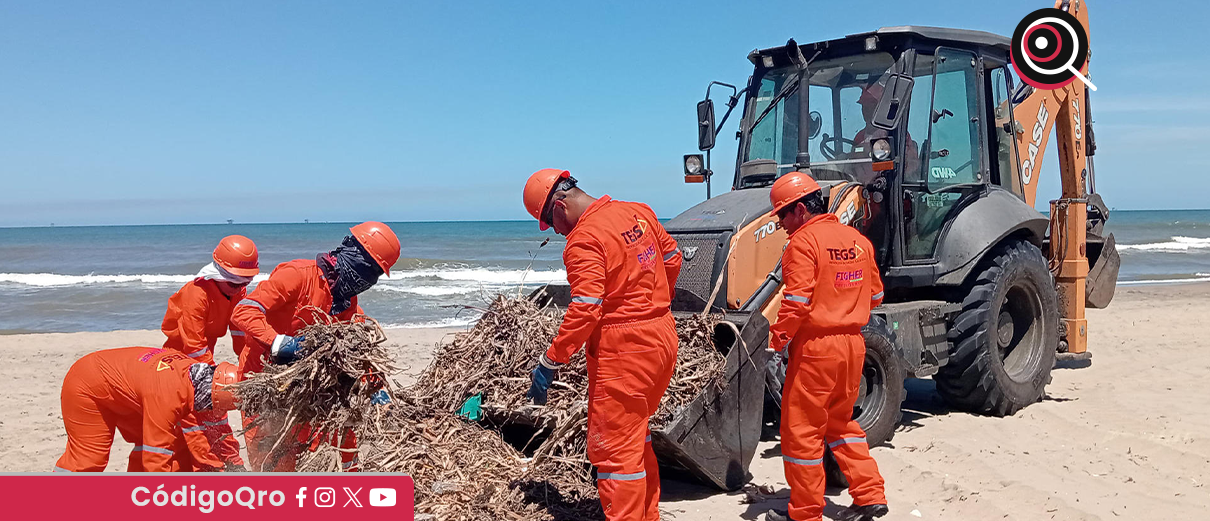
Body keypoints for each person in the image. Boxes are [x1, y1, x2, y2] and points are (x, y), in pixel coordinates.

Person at [522, 169, 682, 521]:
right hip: (661, 337)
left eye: (552, 224)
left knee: (613, 453)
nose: (558, 232)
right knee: (635, 437)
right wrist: (655, 302)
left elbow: (585, 308)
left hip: (624, 349)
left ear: (559, 208)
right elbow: (672, 259)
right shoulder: (636, 212)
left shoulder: (583, 240)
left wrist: (551, 360)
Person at [764, 172, 889, 521]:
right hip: (853, 345)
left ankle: (805, 512)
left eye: (782, 216)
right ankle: (870, 495)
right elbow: (877, 295)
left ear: (800, 209)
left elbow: (797, 302)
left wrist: (776, 343)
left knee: (801, 432)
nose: (782, 224)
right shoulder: (857, 240)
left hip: (817, 348)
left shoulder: (802, 244)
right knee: (842, 424)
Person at [229, 221, 400, 472]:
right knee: (272, 464)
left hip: (304, 388)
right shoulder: (297, 275)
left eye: (375, 274)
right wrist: (279, 342)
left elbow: (351, 351)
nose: (367, 279)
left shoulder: (346, 302)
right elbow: (244, 311)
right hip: (263, 380)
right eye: (367, 268)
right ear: (350, 253)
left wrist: (376, 387)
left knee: (312, 458)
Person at [54, 347, 240, 472]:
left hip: (125, 393)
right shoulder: (167, 396)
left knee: (174, 448)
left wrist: (234, 466)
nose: (209, 411)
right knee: (90, 458)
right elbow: (156, 457)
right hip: (87, 387)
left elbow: (214, 430)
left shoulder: (198, 375)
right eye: (211, 407)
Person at [160, 235, 259, 468]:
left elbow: (241, 338)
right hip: (179, 361)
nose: (240, 288)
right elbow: (193, 346)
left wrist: (251, 371)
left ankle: (225, 464)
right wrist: (213, 378)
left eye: (245, 283)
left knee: (213, 415)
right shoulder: (196, 294)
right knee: (202, 418)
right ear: (220, 274)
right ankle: (222, 467)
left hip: (204, 357)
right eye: (234, 283)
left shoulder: (237, 293)